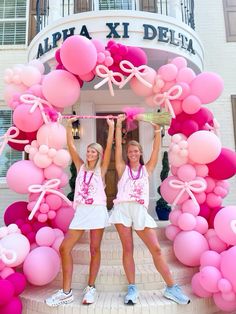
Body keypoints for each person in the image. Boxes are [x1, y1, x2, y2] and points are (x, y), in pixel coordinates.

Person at [109, 114, 190, 305]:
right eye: (130, 151)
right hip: (122, 210)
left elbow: (156, 149)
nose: (133, 153)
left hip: (139, 211)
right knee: (127, 249)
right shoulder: (122, 168)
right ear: (127, 154)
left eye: (136, 151)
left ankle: (171, 287)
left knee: (156, 249)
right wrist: (119, 123)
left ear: (140, 153)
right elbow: (117, 147)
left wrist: (156, 129)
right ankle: (132, 288)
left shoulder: (147, 169)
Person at [45, 117, 114, 307]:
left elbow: (109, 149)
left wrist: (112, 127)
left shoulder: (101, 168)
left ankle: (91, 287)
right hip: (82, 212)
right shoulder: (80, 166)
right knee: (65, 248)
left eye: (93, 151)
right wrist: (69, 126)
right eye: (89, 150)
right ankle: (66, 292)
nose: (89, 153)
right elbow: (70, 145)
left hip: (98, 211)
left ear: (98, 155)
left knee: (94, 249)